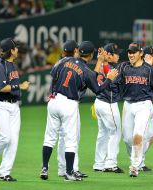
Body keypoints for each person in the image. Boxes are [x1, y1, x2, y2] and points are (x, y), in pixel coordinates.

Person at [40, 41, 118, 181]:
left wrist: (99, 62)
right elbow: (98, 89)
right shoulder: (86, 71)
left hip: (54, 101)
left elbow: (54, 76)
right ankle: (69, 172)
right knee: (71, 140)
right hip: (69, 104)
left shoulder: (63, 61)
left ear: (78, 51)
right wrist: (109, 79)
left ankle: (44, 168)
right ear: (91, 54)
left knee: (50, 137)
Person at [119, 42, 153, 177]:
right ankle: (138, 159)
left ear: (140, 53)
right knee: (128, 139)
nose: (131, 54)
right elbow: (115, 80)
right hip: (128, 104)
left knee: (138, 135)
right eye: (129, 52)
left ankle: (134, 166)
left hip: (144, 105)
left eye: (134, 52)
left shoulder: (149, 70)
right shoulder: (124, 67)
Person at [0, 38, 30, 181]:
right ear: (11, 50)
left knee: (13, 141)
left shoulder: (11, 65)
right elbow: (0, 87)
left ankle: (4, 173)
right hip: (0, 105)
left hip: (14, 106)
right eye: (16, 47)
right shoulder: (0, 65)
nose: (18, 49)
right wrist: (20, 86)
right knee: (4, 137)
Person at [56, 40, 88, 178]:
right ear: (75, 50)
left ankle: (65, 168)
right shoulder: (72, 65)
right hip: (68, 103)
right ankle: (69, 169)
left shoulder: (61, 64)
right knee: (71, 137)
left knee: (64, 137)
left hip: (59, 102)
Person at [92, 43, 124, 173]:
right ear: (109, 55)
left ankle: (98, 163)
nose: (119, 56)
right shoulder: (108, 67)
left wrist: (102, 60)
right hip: (108, 103)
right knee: (115, 132)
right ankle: (110, 163)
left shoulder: (99, 65)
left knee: (103, 134)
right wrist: (105, 62)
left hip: (99, 102)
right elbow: (112, 81)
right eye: (116, 53)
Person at [139, 46, 153, 172]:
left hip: (149, 105)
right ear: (148, 56)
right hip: (141, 105)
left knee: (152, 134)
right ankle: (138, 161)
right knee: (141, 135)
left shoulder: (151, 68)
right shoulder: (145, 69)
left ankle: (139, 157)